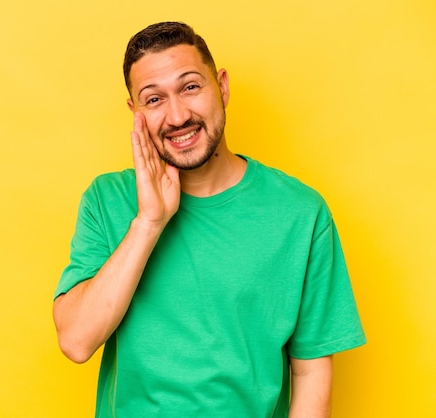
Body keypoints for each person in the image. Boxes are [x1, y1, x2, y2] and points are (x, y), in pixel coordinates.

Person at [53, 21, 366, 418]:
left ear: (222, 86)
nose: (178, 115)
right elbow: (77, 341)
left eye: (190, 87)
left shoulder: (300, 213)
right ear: (135, 113)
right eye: (154, 100)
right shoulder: (107, 200)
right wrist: (148, 222)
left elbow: (311, 378)